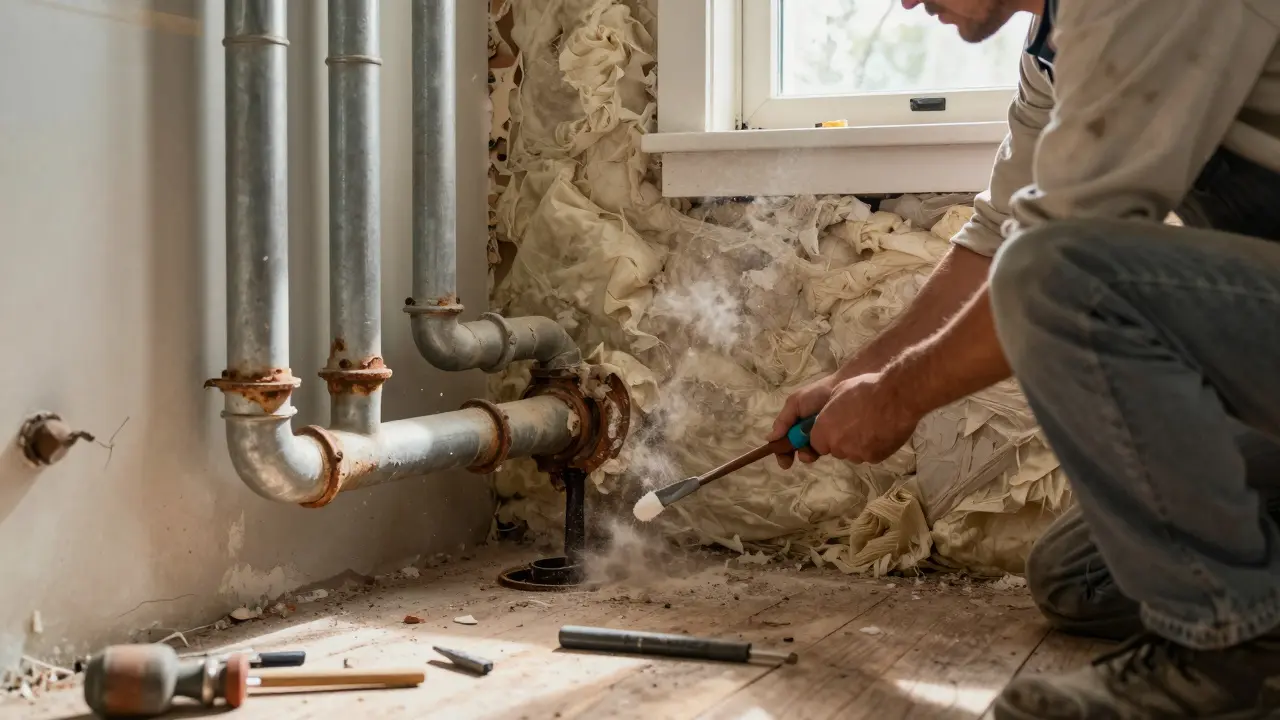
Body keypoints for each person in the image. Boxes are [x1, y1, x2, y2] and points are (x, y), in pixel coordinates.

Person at [769, 0, 1280, 716]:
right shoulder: (1057, 51)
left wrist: (894, 400)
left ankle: (1229, 664)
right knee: (1079, 578)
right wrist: (855, 379)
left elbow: (1056, 259)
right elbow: (991, 246)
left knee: (1061, 273)